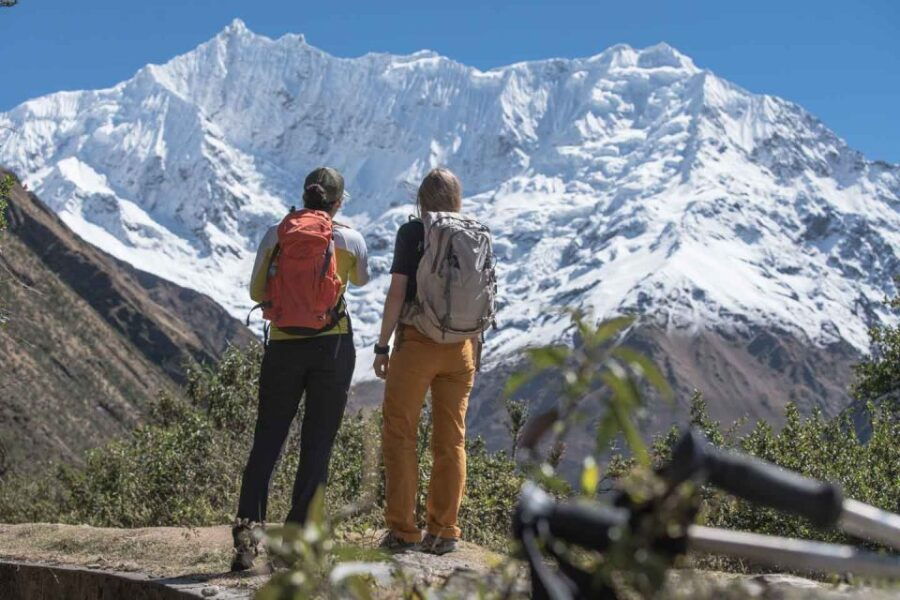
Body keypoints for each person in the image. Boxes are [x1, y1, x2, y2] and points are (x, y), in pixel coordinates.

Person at [231, 167, 369, 571]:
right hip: (332, 346)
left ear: (305, 195)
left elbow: (256, 291)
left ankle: (246, 540)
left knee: (267, 440)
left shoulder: (276, 234)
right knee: (317, 445)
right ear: (338, 202)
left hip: (283, 346)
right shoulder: (349, 239)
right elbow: (361, 280)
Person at [373, 167, 496, 556]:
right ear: (457, 199)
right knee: (452, 440)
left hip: (418, 343)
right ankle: (444, 530)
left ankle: (404, 531)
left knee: (400, 433)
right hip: (461, 349)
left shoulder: (414, 232)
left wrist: (382, 346)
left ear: (421, 200)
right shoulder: (475, 233)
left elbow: (398, 293)